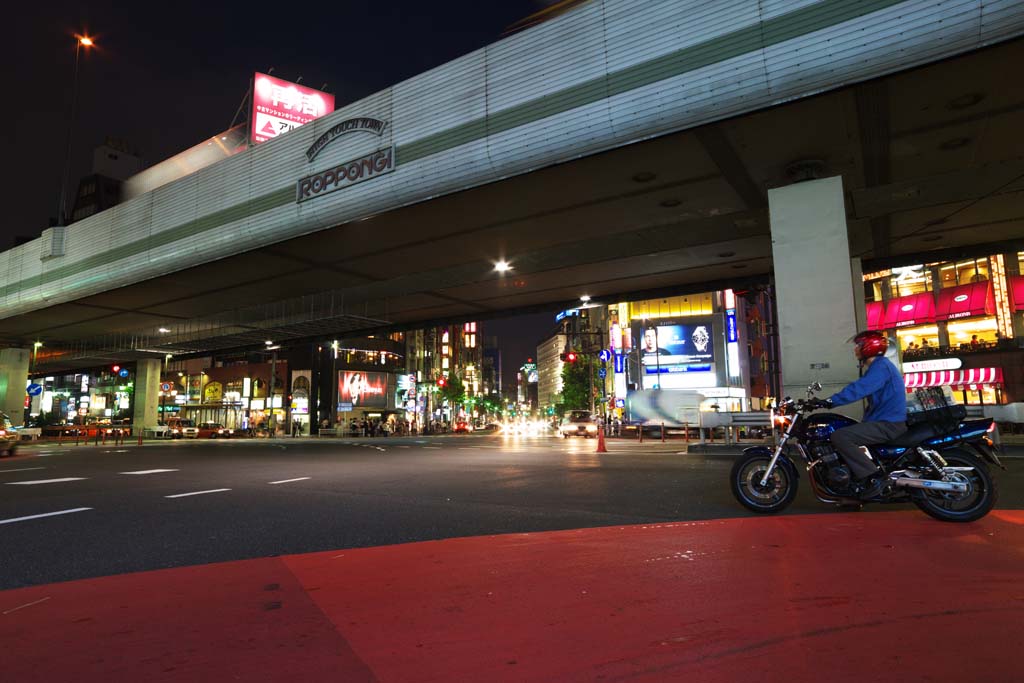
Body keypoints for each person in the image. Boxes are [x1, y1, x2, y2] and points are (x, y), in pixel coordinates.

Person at [823, 331, 907, 500]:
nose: (855, 349)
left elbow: (859, 389)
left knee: (841, 436)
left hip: (888, 424)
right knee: (848, 430)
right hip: (886, 421)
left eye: (858, 345)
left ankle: (874, 478)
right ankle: (854, 488)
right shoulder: (880, 366)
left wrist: (829, 402)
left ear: (869, 347)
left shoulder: (880, 367)